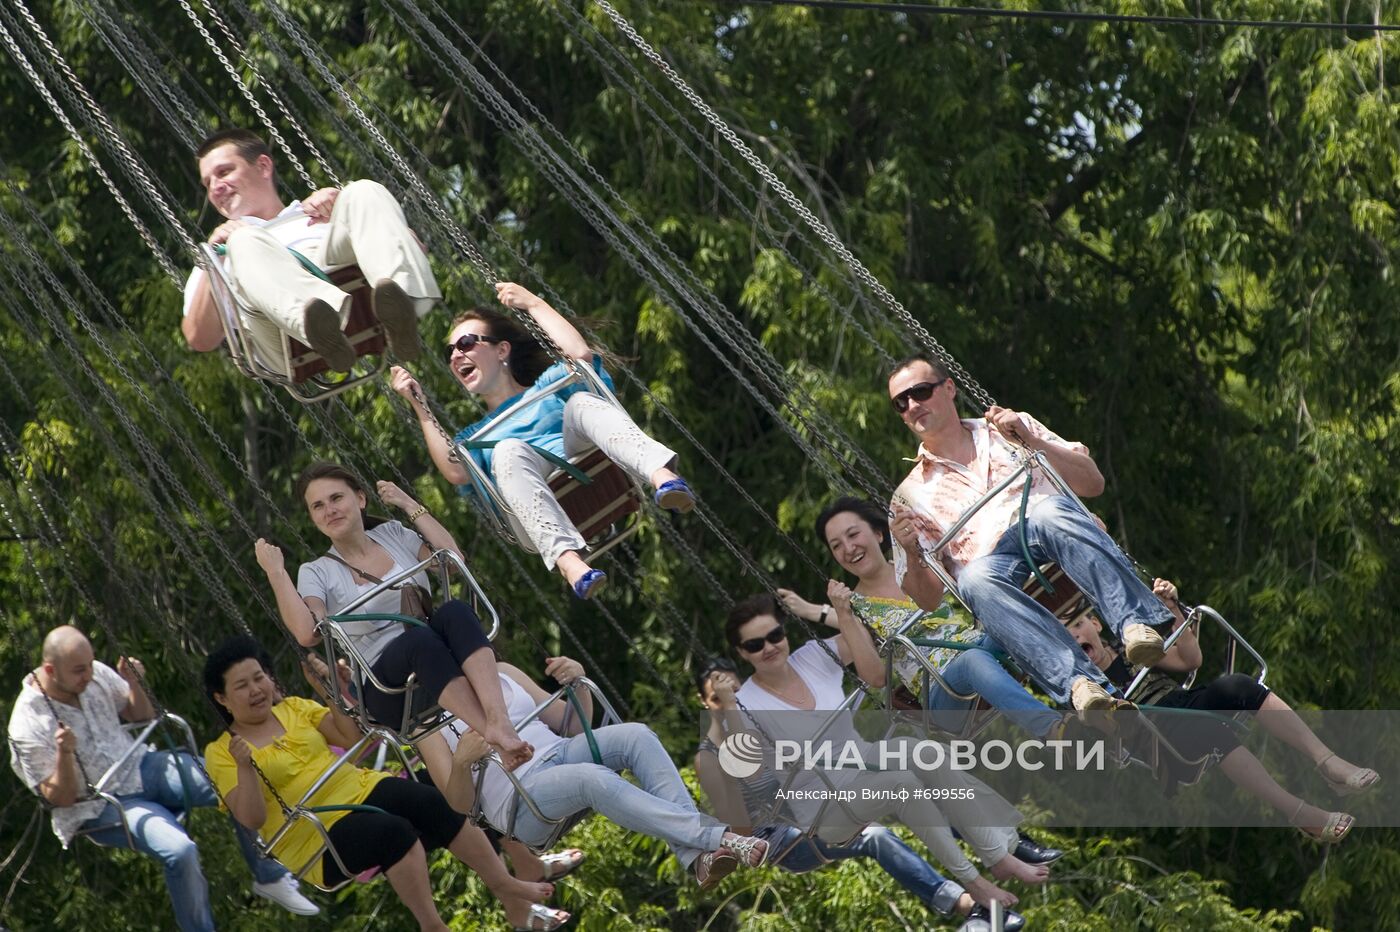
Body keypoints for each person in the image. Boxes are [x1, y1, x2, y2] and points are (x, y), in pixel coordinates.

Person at [201, 637, 566, 932]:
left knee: (431, 800)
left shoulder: (293, 708)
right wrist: (245, 768)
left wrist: (329, 693)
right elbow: (250, 819)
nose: (256, 689)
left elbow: (352, 738)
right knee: (391, 830)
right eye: (242, 686)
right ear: (222, 698)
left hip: (361, 789)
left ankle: (502, 883)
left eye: (259, 677)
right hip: (317, 838)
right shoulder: (221, 753)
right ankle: (432, 925)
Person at [886, 355, 1176, 711]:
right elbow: (928, 600)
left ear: (948, 388)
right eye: (901, 402)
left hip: (1050, 531)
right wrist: (912, 551)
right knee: (973, 579)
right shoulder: (908, 497)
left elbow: (1093, 483)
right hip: (993, 568)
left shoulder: (1008, 429)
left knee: (1049, 510)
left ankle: (1135, 625)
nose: (913, 405)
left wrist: (1032, 443)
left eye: (920, 392)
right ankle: (1080, 685)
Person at [725, 594, 1049, 911]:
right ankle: (973, 882)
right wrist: (727, 708)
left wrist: (829, 610)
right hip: (824, 804)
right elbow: (748, 771)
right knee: (901, 783)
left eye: (774, 636)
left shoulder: (813, 656)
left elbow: (869, 632)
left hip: (861, 758)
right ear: (742, 653)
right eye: (755, 645)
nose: (769, 647)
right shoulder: (747, 704)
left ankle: (998, 857)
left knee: (922, 752)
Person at [391, 281, 694, 599]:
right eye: (449, 351)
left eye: (465, 343)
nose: (456, 355)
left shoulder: (546, 387)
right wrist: (419, 406)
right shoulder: (472, 437)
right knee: (506, 450)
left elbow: (579, 356)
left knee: (582, 403)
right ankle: (569, 561)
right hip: (527, 485)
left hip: (583, 456)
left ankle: (663, 478)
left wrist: (533, 304)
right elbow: (456, 473)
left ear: (502, 349)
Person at [7, 626, 318, 931]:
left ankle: (269, 875)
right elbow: (58, 799)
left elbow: (141, 716)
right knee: (181, 851)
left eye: (90, 665)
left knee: (235, 781)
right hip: (98, 803)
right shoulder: (27, 723)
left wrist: (134, 683)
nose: (88, 675)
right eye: (79, 670)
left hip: (140, 765)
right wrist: (63, 754)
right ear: (50, 669)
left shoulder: (93, 673)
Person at [693, 660, 1027, 931]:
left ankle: (994, 846)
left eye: (736, 694)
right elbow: (741, 826)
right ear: (706, 703)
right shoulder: (710, 757)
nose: (729, 704)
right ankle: (967, 906)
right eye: (719, 699)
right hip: (784, 839)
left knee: (908, 781)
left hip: (824, 799)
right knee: (874, 836)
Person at [256, 460, 531, 780]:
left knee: (454, 611)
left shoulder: (391, 534)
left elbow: (452, 561)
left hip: (435, 658)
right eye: (318, 506)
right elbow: (307, 633)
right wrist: (276, 572)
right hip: (385, 688)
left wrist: (407, 503)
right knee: (419, 639)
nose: (329, 510)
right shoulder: (316, 572)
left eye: (336, 498)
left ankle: (499, 721)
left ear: (360, 499)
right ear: (313, 518)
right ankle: (491, 733)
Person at [1068, 578, 1378, 843]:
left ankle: (1327, 761)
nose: (1076, 636)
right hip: (1155, 737)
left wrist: (1173, 610)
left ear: (1096, 624)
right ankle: (1298, 812)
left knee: (1237, 686)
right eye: (1066, 633)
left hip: (1180, 704)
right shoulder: (1082, 687)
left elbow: (1189, 661)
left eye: (1079, 625)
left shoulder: (1131, 647)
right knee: (1209, 730)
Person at [444, 653, 770, 890]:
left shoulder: (502, 670)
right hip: (522, 801)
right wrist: (461, 761)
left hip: (560, 753)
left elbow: (572, 725)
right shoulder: (432, 722)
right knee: (590, 777)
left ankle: (698, 860)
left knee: (637, 735)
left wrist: (578, 683)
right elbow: (459, 805)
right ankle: (717, 836)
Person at [777, 496, 1062, 740]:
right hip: (940, 692)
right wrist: (843, 614)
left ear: (878, 534)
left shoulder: (916, 565)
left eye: (853, 535)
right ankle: (1053, 730)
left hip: (978, 647)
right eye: (836, 545)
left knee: (1013, 616)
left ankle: (1082, 689)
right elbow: (876, 677)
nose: (848, 548)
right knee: (972, 661)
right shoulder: (856, 607)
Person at [182, 128, 440, 374]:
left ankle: (402, 310)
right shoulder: (220, 252)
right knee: (244, 241)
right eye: (208, 183)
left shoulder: (317, 214)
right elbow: (200, 339)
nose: (215, 188)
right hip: (284, 341)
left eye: (224, 172)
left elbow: (414, 247)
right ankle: (320, 329)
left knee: (363, 190)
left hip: (347, 281)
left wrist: (345, 208)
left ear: (262, 166)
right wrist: (213, 259)